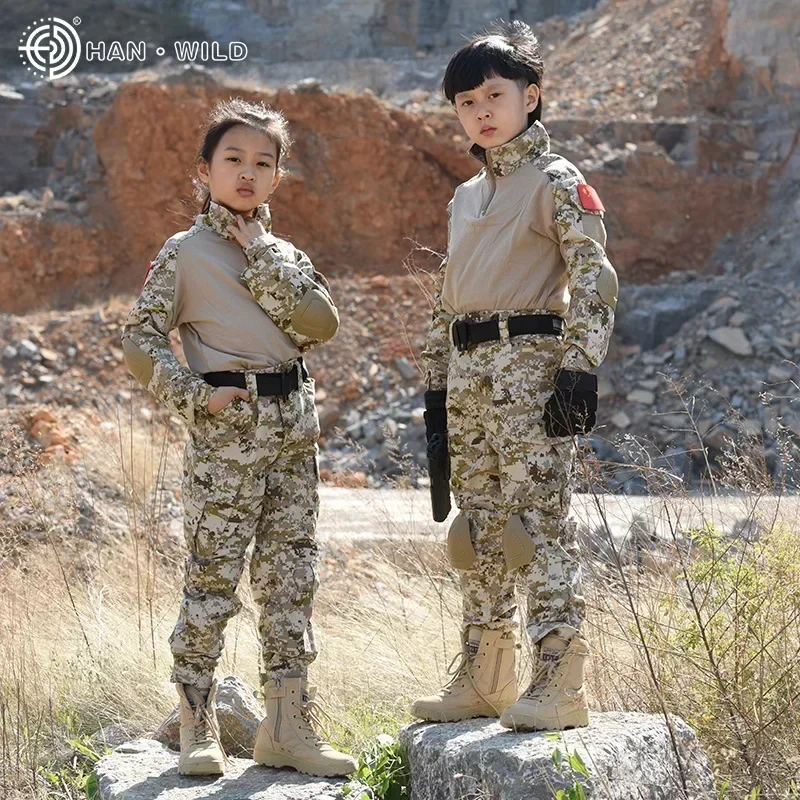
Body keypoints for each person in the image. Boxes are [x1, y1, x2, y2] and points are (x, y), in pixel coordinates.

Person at [121, 97, 356, 777]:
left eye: (263, 163)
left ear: (278, 178)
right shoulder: (184, 254)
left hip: (293, 435)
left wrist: (260, 254)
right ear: (205, 170)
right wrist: (196, 397)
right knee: (212, 582)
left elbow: (320, 325)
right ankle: (197, 725)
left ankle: (287, 727)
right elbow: (140, 341)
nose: (248, 174)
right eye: (233, 160)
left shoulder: (286, 254)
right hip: (227, 432)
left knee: (291, 582)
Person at [414, 20, 618, 732]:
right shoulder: (464, 197)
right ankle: (485, 675)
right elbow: (448, 298)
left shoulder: (559, 181)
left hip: (532, 367)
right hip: (469, 374)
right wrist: (437, 393)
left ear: (532, 97)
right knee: (478, 530)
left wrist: (580, 368)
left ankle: (560, 679)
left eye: (494, 95)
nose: (481, 112)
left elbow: (595, 278)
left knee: (537, 526)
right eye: (466, 102)